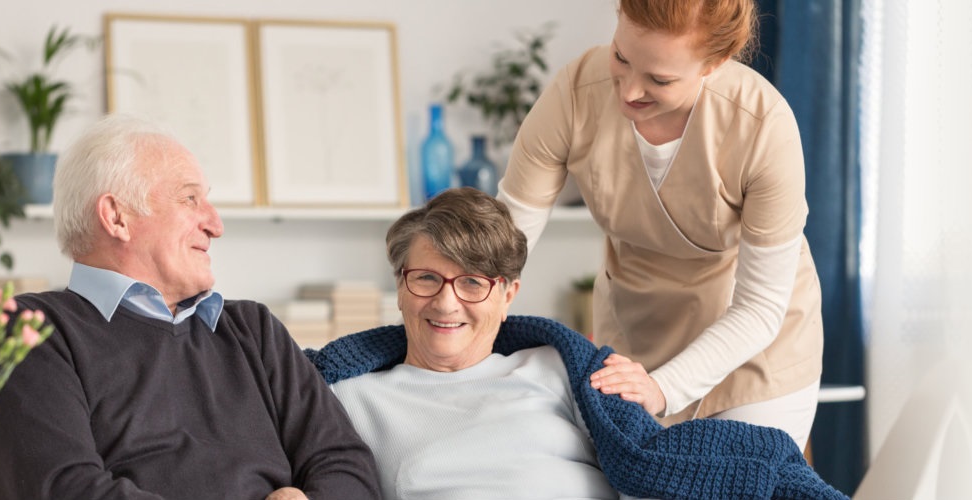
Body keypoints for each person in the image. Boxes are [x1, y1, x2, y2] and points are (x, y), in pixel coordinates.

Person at [314, 188, 841, 500]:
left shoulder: (556, 368)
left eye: (473, 283)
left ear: (507, 294)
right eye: (426, 279)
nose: (446, 304)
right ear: (400, 285)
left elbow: (647, 453)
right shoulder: (348, 397)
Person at [0, 114, 381, 500]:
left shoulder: (253, 329)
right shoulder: (27, 329)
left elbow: (348, 466)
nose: (216, 225)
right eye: (190, 199)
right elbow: (64, 490)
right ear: (116, 217)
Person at [496, 0, 825, 449]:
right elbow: (503, 243)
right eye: (621, 57)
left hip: (754, 349)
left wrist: (663, 388)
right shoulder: (576, 92)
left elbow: (760, 306)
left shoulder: (763, 126)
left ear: (715, 64)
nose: (629, 92)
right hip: (636, 330)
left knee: (735, 479)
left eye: (660, 79)